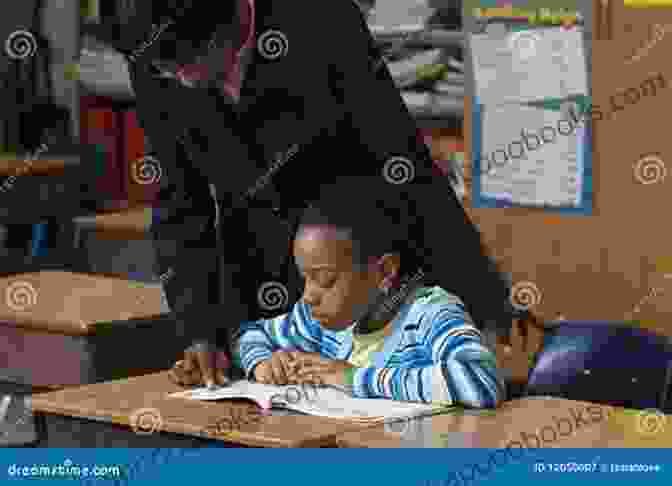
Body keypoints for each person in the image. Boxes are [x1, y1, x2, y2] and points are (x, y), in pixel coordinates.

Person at [130, 0, 511, 389]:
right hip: (262, 286)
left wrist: (482, 296)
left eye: (191, 59)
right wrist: (201, 332)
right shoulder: (153, 49)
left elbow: (398, 153)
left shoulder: (318, 16)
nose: (185, 80)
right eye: (167, 68)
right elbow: (178, 200)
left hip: (355, 267)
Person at [171, 177, 506, 407]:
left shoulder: (431, 314)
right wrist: (263, 365)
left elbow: (481, 381)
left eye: (325, 279)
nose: (309, 296)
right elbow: (249, 335)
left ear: (385, 272)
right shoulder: (318, 319)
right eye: (304, 279)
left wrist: (354, 378)